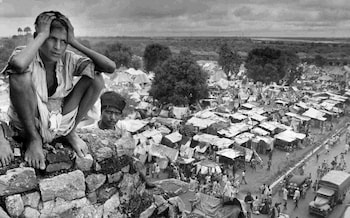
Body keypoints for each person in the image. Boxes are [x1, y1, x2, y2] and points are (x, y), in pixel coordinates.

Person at [0, 11, 116, 169]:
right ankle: (34, 139)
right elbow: (18, 65)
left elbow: (109, 67)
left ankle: (70, 132)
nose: (57, 47)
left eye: (63, 41)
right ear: (38, 37)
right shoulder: (25, 54)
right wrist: (41, 35)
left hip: (60, 121)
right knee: (19, 76)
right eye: (52, 39)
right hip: (28, 122)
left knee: (96, 78)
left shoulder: (69, 59)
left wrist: (74, 41)